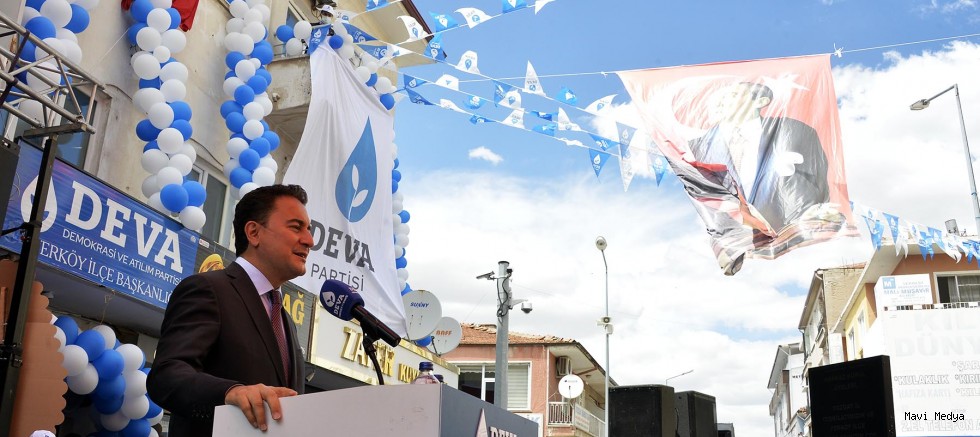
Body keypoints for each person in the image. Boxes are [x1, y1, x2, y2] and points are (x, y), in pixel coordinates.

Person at [147, 184, 313, 437]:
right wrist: (230, 392)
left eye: (308, 230)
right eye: (296, 227)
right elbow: (166, 376)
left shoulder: (285, 320)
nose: (309, 241)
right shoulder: (209, 289)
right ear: (254, 232)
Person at [685, 81, 836, 274]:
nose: (722, 101)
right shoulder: (698, 147)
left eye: (733, 95)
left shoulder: (793, 131)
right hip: (737, 240)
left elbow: (816, 181)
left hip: (792, 238)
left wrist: (803, 217)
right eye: (722, 96)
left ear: (760, 101)